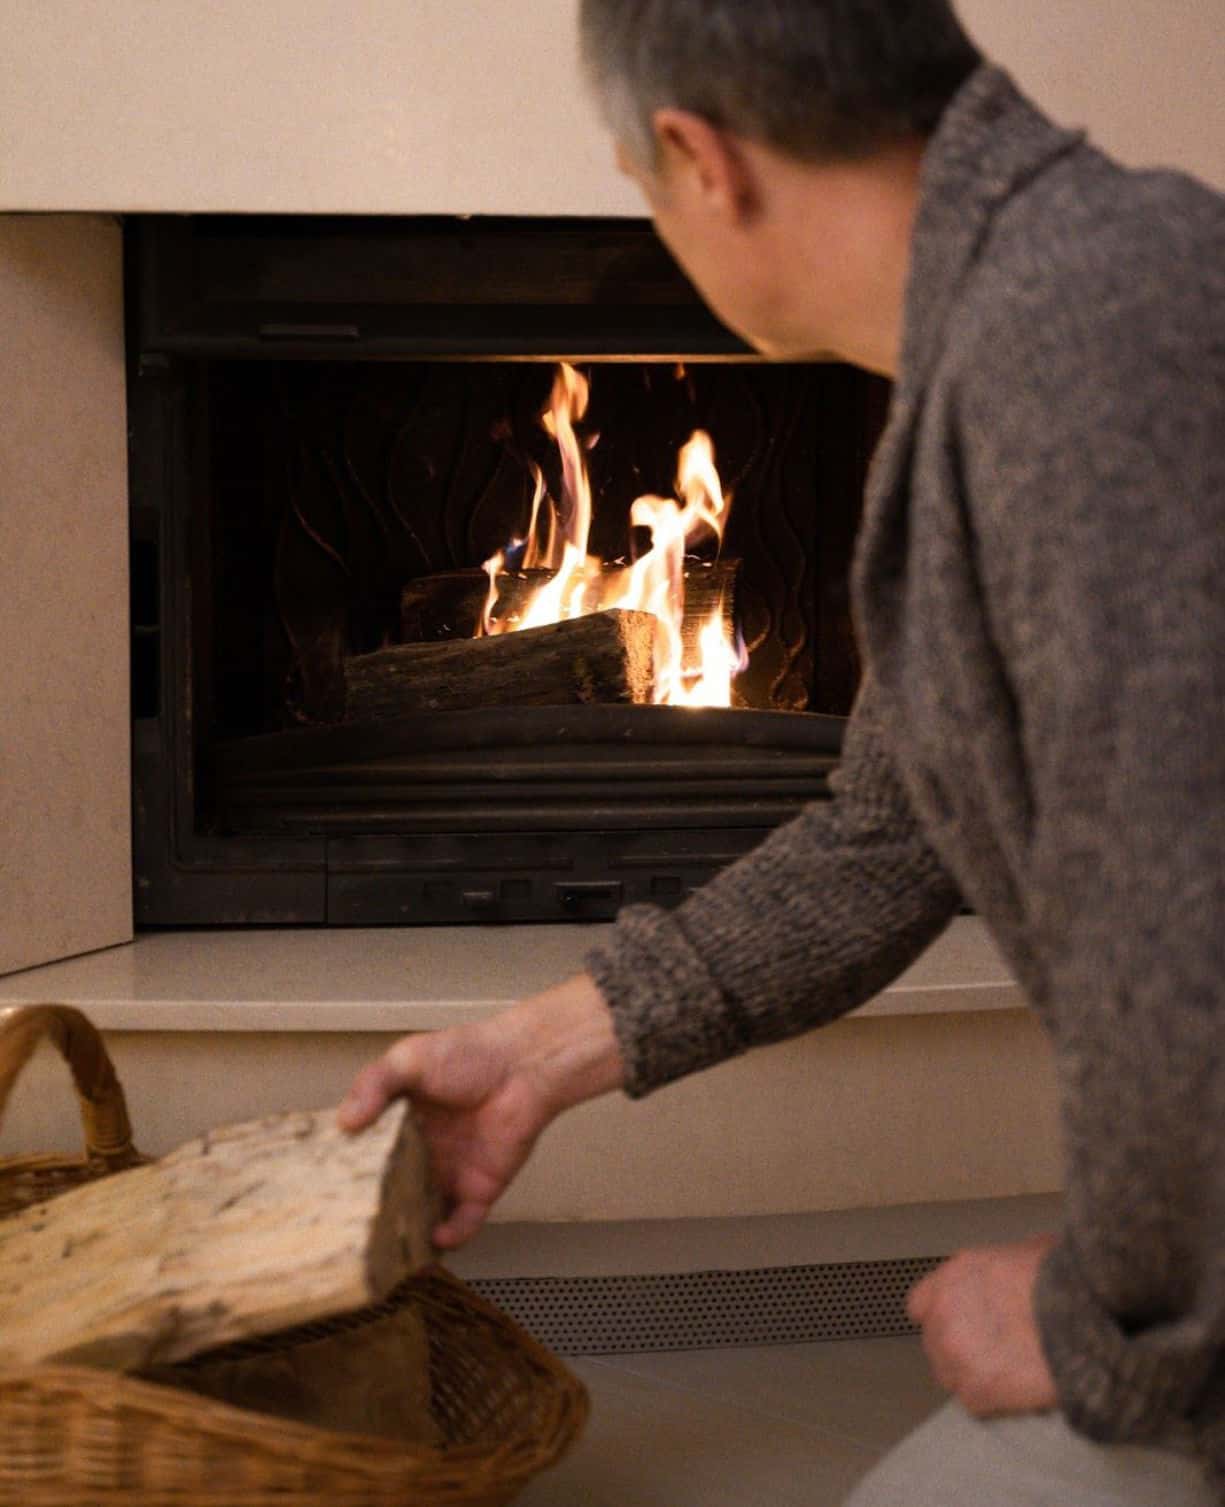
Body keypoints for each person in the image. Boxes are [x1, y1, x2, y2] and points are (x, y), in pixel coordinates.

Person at [339, 2, 1225, 1500]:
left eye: (637, 178)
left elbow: (1186, 933)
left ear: (699, 157)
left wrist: (1116, 1332)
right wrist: (535, 1057)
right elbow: (891, 829)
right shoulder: (1031, 312)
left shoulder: (1081, 348)